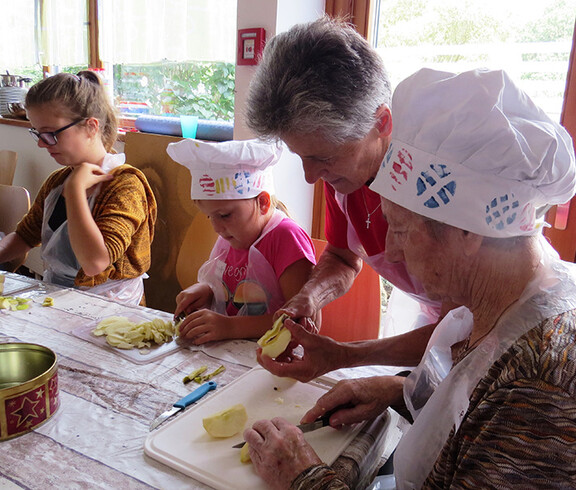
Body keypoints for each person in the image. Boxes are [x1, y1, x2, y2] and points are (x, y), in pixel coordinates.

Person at [243, 67, 576, 489]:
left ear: (468, 232)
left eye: (399, 229)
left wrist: (303, 477)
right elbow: (471, 406)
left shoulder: (535, 390)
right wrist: (400, 392)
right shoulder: (499, 305)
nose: (391, 253)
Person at [246, 16, 449, 372]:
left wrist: (348, 356)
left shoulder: (436, 187)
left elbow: (471, 328)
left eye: (322, 158)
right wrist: (310, 295)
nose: (311, 177)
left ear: (382, 122)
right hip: (440, 325)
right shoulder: (344, 177)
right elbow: (342, 256)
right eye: (302, 158)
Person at [0, 71, 157, 306]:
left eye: (50, 134)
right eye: (37, 133)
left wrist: (75, 193)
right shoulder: (57, 182)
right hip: (62, 300)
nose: (42, 144)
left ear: (91, 126)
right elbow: (24, 236)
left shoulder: (126, 186)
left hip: (113, 309)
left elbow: (95, 263)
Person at [168, 138, 316, 344]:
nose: (217, 228)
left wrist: (230, 327)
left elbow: (302, 321)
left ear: (263, 202)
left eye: (225, 215)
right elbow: (230, 293)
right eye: (210, 217)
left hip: (276, 357)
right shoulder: (232, 236)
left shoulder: (286, 239)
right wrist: (207, 292)